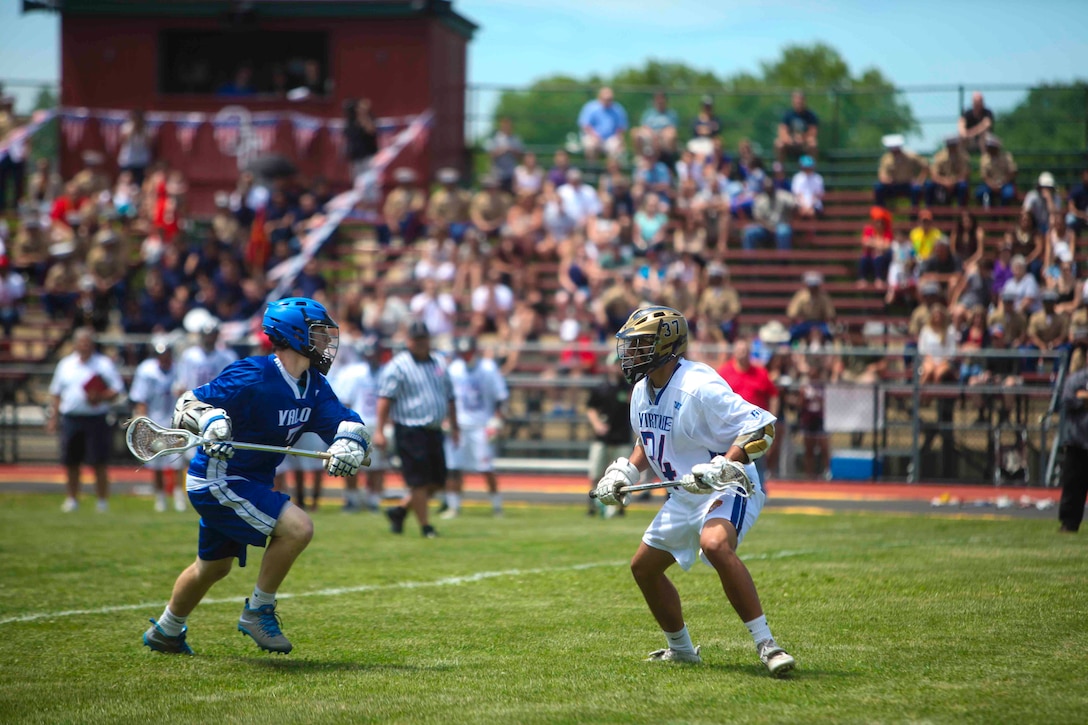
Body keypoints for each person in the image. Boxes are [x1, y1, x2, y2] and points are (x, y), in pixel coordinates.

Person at [142, 297, 371, 656]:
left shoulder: (314, 385)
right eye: (319, 333)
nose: (327, 341)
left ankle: (167, 630)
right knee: (299, 527)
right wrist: (210, 420)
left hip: (250, 483)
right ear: (295, 335)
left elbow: (344, 420)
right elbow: (186, 404)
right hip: (218, 480)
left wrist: (350, 442)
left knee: (212, 568)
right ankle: (259, 610)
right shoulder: (252, 374)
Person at [592, 306, 794, 676]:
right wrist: (624, 472)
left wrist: (722, 464)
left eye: (639, 345)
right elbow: (650, 442)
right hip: (686, 493)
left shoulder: (699, 386)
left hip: (730, 484)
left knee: (715, 544)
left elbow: (760, 426)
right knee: (644, 568)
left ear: (665, 345)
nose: (631, 353)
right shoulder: (642, 390)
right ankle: (682, 650)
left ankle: (768, 644)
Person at [375, 320, 458, 539]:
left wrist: (455, 426)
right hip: (410, 429)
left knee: (436, 481)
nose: (421, 344)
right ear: (408, 341)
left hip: (434, 429)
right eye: (417, 340)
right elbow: (385, 399)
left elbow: (450, 396)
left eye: (424, 339)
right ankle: (426, 526)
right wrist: (380, 430)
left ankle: (400, 511)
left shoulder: (439, 362)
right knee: (418, 481)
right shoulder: (398, 365)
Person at [47, 327, 126, 513]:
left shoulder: (103, 364)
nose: (84, 346)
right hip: (71, 418)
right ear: (75, 344)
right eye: (81, 342)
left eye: (87, 343)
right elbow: (56, 393)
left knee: (99, 462)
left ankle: (102, 500)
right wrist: (53, 417)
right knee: (71, 461)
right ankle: (72, 498)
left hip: (96, 418)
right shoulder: (66, 365)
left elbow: (117, 390)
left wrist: (101, 396)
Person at [442, 336, 509, 519]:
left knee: (486, 468)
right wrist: (447, 420)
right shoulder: (454, 369)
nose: (466, 356)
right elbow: (446, 398)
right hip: (459, 426)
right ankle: (453, 506)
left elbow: (501, 397)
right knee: (453, 467)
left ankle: (497, 506)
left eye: (468, 352)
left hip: (481, 425)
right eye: (463, 353)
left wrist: (496, 420)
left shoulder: (488, 369)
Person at [332, 335, 389, 512]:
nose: (372, 357)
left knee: (378, 465)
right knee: (350, 461)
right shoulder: (353, 373)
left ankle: (374, 499)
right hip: (357, 422)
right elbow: (345, 400)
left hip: (379, 422)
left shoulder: (387, 372)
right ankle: (351, 498)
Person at [129, 337, 187, 513]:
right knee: (156, 462)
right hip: (155, 419)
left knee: (177, 460)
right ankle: (160, 496)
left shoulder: (180, 369)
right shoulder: (147, 370)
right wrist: (143, 420)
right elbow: (141, 397)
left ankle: (178, 494)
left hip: (175, 418)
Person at [717, 338, 779, 484]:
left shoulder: (760, 372)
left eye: (745, 351)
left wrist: (771, 419)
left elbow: (774, 395)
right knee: (731, 462)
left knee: (757, 460)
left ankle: (760, 490)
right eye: (739, 351)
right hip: (731, 426)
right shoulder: (724, 372)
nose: (742, 354)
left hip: (755, 426)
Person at [586, 352, 636, 518]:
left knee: (621, 474)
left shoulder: (629, 388)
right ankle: (593, 504)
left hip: (621, 436)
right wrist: (597, 425)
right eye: (616, 363)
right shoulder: (601, 388)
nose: (618, 367)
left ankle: (619, 507)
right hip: (602, 438)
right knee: (596, 473)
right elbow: (591, 408)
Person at [1058, 332, 1088, 533]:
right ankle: (1069, 523)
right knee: (1073, 485)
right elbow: (1068, 400)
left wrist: (1084, 398)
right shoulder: (1076, 379)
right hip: (1078, 441)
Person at [874, 134, 928, 208]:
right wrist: (885, 180)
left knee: (916, 189)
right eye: (892, 149)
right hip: (892, 185)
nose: (894, 151)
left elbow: (925, 166)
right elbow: (882, 175)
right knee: (878, 188)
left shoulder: (911, 156)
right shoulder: (886, 158)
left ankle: (914, 215)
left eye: (896, 149)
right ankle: (881, 214)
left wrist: (920, 180)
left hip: (908, 184)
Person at [577, 87, 628, 161]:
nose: (608, 101)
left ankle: (611, 170)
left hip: (611, 138)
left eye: (610, 99)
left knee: (617, 148)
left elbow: (621, 128)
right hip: (592, 136)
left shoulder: (618, 109)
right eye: (606, 99)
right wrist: (595, 136)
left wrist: (620, 140)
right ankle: (593, 170)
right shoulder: (590, 107)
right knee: (590, 146)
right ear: (599, 98)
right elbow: (585, 125)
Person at [775, 90, 819, 162]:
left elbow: (813, 132)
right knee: (778, 143)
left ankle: (811, 169)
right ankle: (779, 168)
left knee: (813, 143)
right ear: (793, 101)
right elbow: (782, 131)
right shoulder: (787, 114)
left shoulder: (810, 115)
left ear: (804, 100)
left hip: (804, 144)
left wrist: (802, 139)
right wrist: (790, 140)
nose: (798, 102)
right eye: (796, 99)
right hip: (790, 144)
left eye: (800, 99)